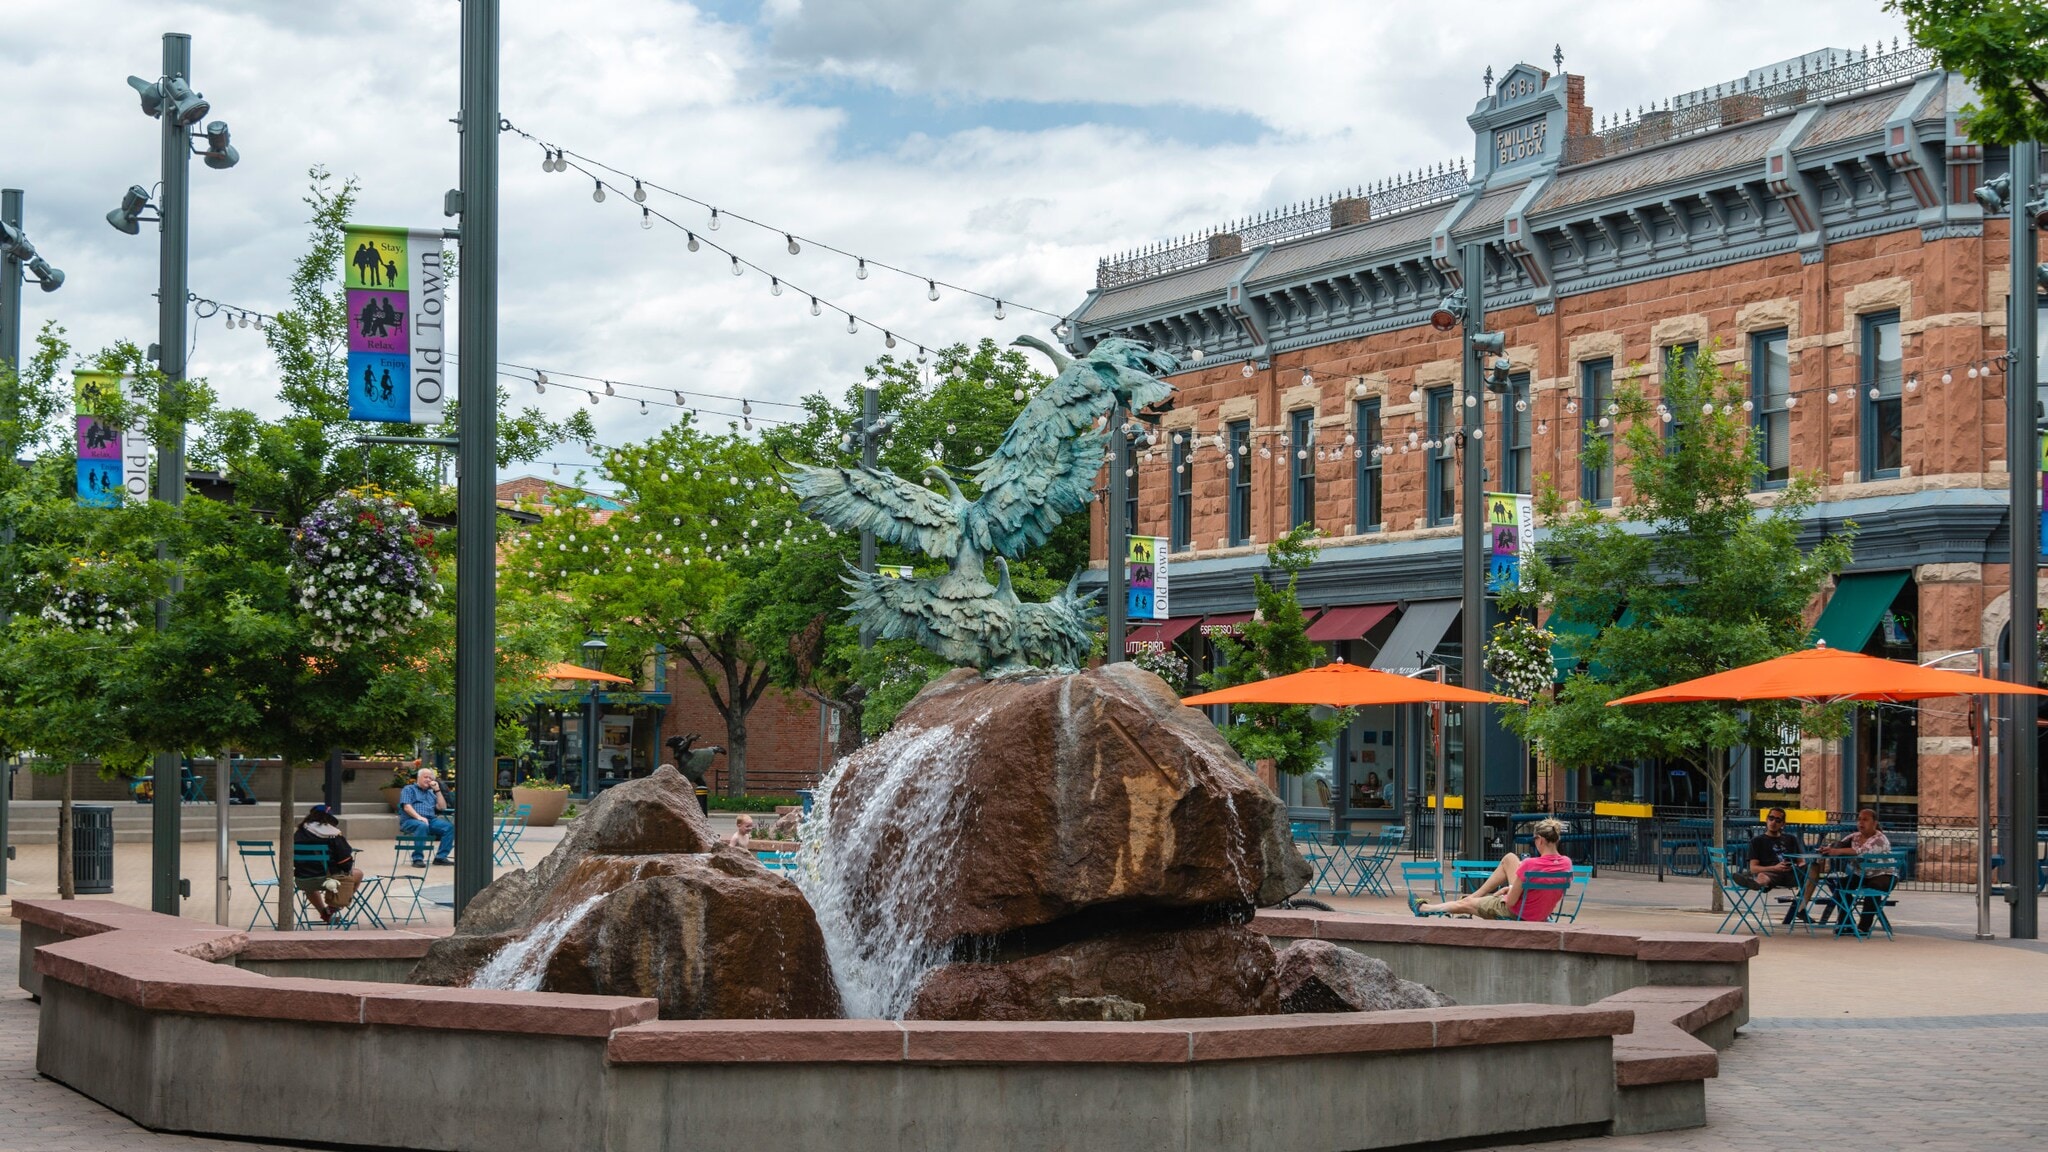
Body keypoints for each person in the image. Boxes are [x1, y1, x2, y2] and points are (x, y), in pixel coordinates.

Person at [1410, 818, 1573, 920]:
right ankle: (1474, 897)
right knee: (1510, 858)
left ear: (1540, 841)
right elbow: (1545, 886)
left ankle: (1424, 908)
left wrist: (1507, 895)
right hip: (1541, 914)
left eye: (1534, 839)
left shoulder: (1530, 864)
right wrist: (1511, 887)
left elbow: (1511, 903)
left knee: (1467, 903)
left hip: (1519, 914)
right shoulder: (1566, 864)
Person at [1810, 807, 1895, 933]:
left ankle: (1863, 927)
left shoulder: (1879, 839)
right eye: (1859, 819)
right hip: (1862, 875)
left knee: (1873, 888)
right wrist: (1828, 848)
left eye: (1865, 820)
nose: (1861, 823)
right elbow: (1840, 844)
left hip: (1883, 875)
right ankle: (1847, 923)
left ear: (1874, 823)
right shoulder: (1855, 837)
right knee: (1842, 885)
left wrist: (1837, 851)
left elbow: (1861, 851)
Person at [293, 805, 363, 924]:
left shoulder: (299, 834)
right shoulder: (333, 835)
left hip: (302, 880)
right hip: (329, 881)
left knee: (310, 884)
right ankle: (333, 907)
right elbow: (345, 863)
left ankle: (325, 914)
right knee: (358, 874)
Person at [1732, 807, 1803, 893]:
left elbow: (1801, 862)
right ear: (1766, 819)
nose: (1773, 822)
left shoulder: (1791, 839)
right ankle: (1756, 884)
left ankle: (1801, 902)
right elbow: (1753, 868)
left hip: (1792, 874)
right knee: (1762, 875)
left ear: (1783, 824)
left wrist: (1795, 867)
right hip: (1771, 874)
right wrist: (1775, 868)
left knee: (1813, 867)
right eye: (1771, 818)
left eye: (1778, 820)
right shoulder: (1756, 841)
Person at [399, 767, 455, 867]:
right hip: (410, 820)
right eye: (426, 777)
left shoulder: (431, 793)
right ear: (418, 777)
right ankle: (417, 858)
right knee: (422, 825)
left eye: (430, 778)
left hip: (430, 820)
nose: (428, 780)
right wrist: (418, 817)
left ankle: (440, 857)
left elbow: (442, 807)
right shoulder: (409, 789)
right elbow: (407, 807)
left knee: (449, 827)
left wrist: (437, 790)